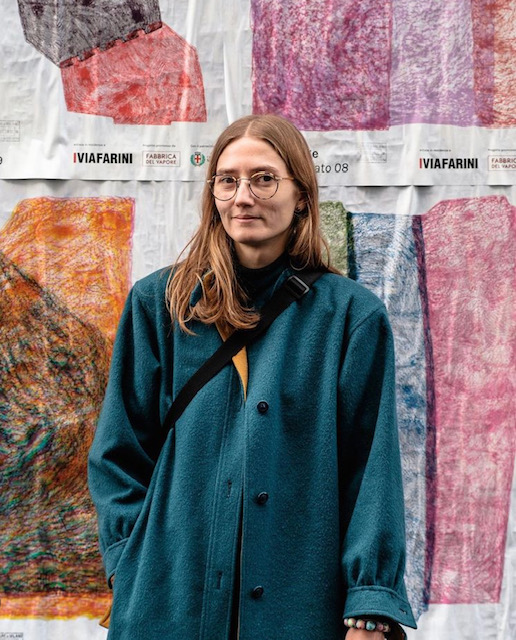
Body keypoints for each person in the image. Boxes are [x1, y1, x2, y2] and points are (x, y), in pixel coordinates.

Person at [88, 114, 417, 640]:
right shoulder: (159, 305)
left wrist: (369, 604)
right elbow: (118, 452)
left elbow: (370, 469)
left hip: (298, 608)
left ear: (301, 195)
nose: (243, 197)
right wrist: (131, 564)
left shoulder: (351, 318)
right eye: (228, 180)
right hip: (166, 603)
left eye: (264, 178)